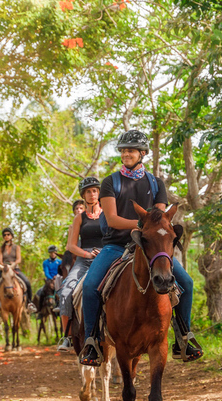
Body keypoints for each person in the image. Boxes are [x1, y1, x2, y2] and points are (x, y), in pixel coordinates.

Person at [77, 129, 203, 367]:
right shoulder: (109, 182)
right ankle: (92, 342)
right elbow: (112, 219)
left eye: (131, 150)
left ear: (142, 153)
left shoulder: (156, 183)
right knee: (91, 285)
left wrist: (149, 233)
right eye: (123, 150)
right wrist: (142, 225)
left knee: (186, 283)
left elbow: (161, 219)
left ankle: (184, 337)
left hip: (149, 248)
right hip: (115, 246)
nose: (126, 154)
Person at [56, 177, 103, 352]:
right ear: (83, 195)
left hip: (106, 257)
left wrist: (103, 252)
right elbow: (71, 246)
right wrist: (87, 253)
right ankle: (67, 336)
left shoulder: (108, 214)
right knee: (66, 291)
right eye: (88, 192)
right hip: (84, 260)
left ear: (99, 193)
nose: (92, 194)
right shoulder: (79, 218)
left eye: (95, 191)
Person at [0, 227, 37, 314]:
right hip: (4, 269)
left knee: (27, 283)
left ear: (11, 236)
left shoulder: (16, 247)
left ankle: (29, 303)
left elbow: (18, 260)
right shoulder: (0, 249)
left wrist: (12, 266)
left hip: (15, 269)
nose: (6, 236)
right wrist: (4, 267)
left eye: (8, 234)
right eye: (5, 235)